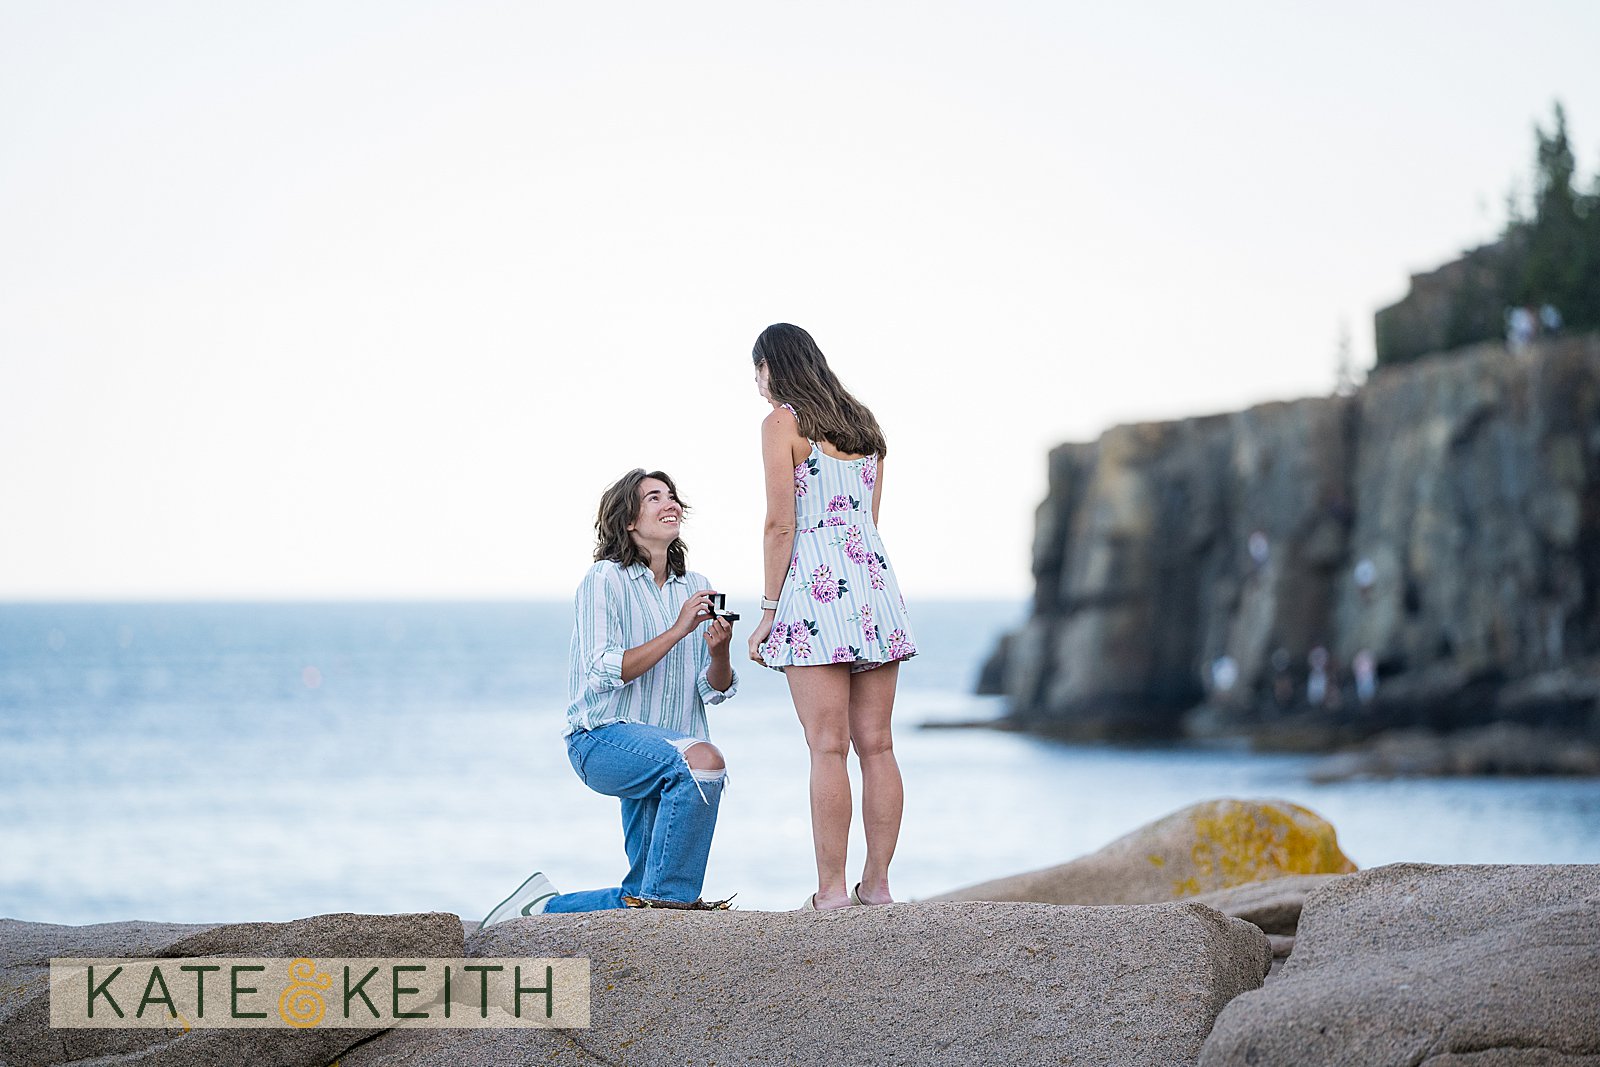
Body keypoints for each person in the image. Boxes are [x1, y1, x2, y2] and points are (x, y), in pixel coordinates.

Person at [481, 469, 737, 924]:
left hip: (666, 754)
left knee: (639, 891)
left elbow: (713, 689)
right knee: (705, 761)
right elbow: (606, 668)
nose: (669, 502)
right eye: (654, 497)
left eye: (672, 495)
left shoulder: (695, 584)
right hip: (601, 740)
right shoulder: (604, 579)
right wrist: (679, 629)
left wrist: (719, 652)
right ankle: (672, 910)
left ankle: (542, 909)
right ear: (629, 521)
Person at [745, 323, 917, 911]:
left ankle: (832, 892)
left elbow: (780, 523)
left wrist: (769, 611)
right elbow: (868, 516)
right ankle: (880, 886)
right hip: (873, 586)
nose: (759, 387)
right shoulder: (865, 426)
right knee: (879, 745)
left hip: (816, 589)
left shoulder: (783, 423)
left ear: (773, 365)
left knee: (826, 746)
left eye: (758, 372)